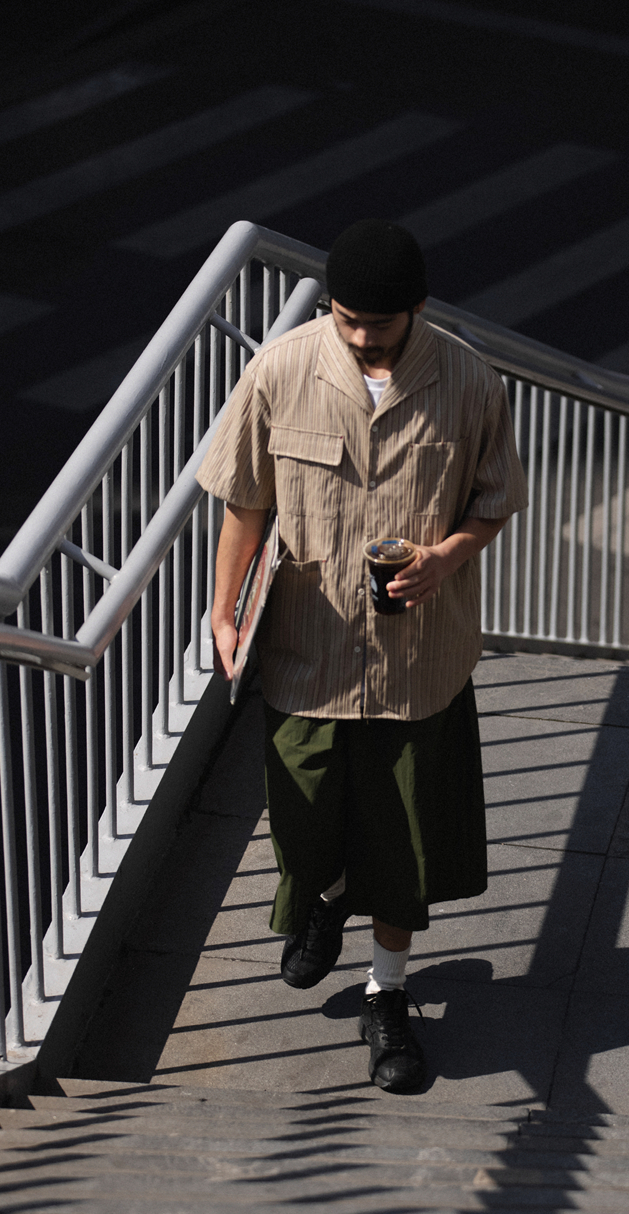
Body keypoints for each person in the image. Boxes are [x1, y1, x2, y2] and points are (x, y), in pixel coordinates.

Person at [197, 219, 527, 1093]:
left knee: (404, 841)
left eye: (376, 324)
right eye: (346, 319)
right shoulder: (280, 371)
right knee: (302, 814)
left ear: (416, 309)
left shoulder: (469, 381)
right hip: (307, 648)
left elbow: (495, 499)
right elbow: (244, 502)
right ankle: (326, 892)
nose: (358, 336)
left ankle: (388, 994)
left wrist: (445, 558)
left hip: (419, 662)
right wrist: (223, 612)